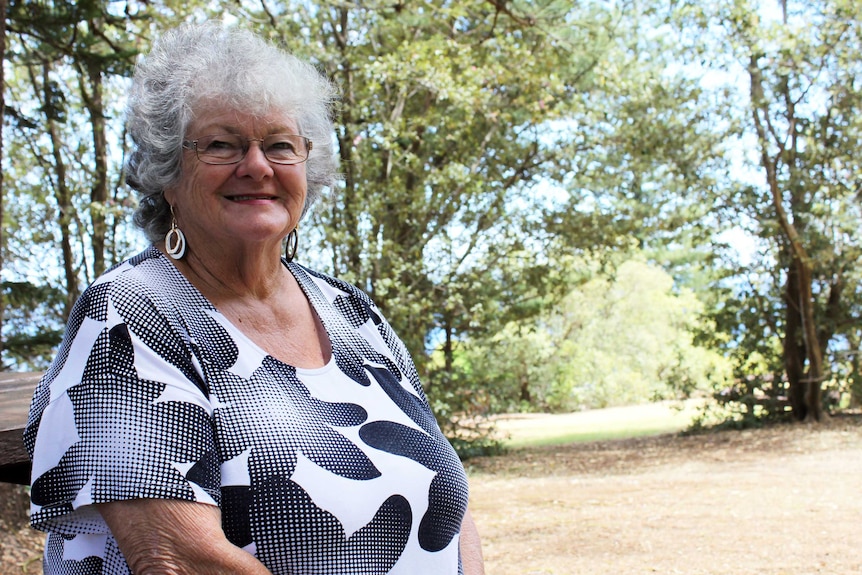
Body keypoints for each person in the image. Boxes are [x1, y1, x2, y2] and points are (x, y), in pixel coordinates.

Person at [24, 22, 485, 575]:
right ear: (167, 172)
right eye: (222, 144)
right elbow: (181, 561)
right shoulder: (128, 315)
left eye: (279, 145)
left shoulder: (353, 312)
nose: (258, 166)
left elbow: (451, 508)